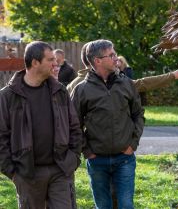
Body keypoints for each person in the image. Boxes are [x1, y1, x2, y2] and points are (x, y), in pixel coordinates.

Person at [0, 41, 82, 208]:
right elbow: (1, 136)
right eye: (50, 59)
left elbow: (74, 127)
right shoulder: (7, 96)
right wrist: (13, 172)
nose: (56, 63)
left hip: (61, 169)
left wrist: (73, 158)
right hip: (27, 173)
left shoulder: (59, 91)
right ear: (35, 62)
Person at [71, 39, 144, 209]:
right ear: (97, 61)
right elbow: (73, 124)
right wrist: (87, 151)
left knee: (126, 205)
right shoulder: (81, 89)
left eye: (115, 53)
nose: (116, 58)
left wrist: (132, 144)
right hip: (97, 161)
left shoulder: (126, 83)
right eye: (111, 55)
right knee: (103, 206)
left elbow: (138, 114)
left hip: (124, 158)